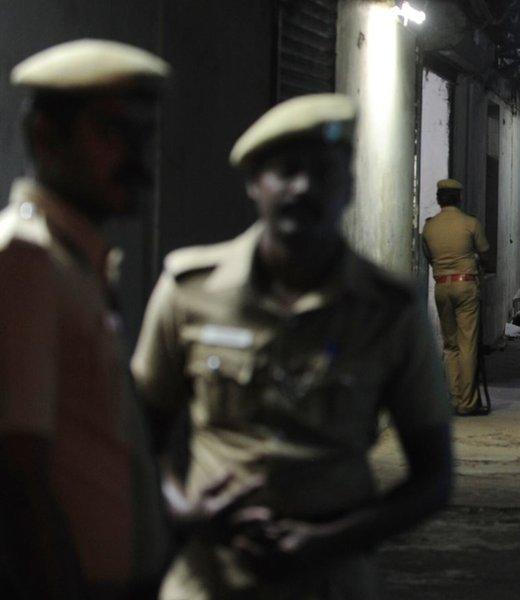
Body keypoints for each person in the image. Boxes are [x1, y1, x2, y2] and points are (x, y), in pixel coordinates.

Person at [131, 94, 454, 598]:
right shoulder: (189, 290)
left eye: (324, 173)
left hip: (333, 579)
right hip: (209, 578)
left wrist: (329, 539)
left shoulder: (389, 310)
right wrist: (183, 510)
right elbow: (137, 437)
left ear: (348, 187)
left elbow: (434, 477)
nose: (303, 188)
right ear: (253, 184)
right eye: (286, 171)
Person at [0, 40, 170, 599]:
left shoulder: (74, 261)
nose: (138, 159)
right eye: (114, 133)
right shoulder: (24, 259)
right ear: (46, 136)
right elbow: (18, 476)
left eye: (143, 137)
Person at [422, 179, 490, 416]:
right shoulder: (470, 223)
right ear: (459, 199)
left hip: (441, 287)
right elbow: (485, 254)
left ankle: (453, 397)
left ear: (439, 199)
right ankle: (467, 402)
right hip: (466, 286)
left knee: (450, 345)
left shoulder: (429, 227)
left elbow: (428, 257)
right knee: (467, 344)